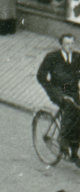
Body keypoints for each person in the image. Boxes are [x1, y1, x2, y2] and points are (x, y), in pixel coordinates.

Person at [38, 34, 80, 165]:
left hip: (73, 91)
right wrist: (54, 92)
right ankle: (63, 141)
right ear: (61, 44)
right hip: (57, 91)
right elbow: (41, 76)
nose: (70, 46)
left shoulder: (78, 57)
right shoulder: (52, 57)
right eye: (67, 44)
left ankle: (74, 153)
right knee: (70, 108)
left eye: (72, 43)